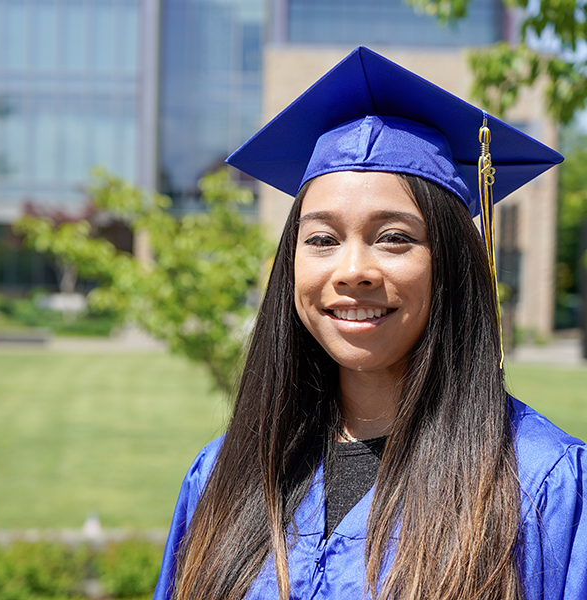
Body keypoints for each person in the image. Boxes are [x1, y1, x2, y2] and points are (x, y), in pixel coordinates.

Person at [153, 47, 586, 600]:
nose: (353, 270)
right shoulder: (223, 476)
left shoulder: (541, 486)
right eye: (322, 240)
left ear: (451, 263)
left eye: (395, 238)